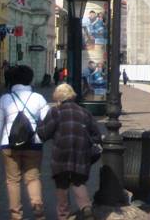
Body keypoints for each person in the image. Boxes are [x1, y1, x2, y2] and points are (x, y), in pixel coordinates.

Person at [0, 64, 49, 220]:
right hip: (33, 145)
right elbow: (49, 122)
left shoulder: (5, 99)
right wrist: (44, 139)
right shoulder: (38, 98)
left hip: (9, 145)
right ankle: (37, 208)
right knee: (33, 178)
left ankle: (16, 215)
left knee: (12, 180)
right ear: (30, 79)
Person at [37, 83, 101, 220]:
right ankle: (86, 207)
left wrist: (39, 125)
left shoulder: (55, 111)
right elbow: (97, 136)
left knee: (62, 183)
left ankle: (63, 214)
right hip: (81, 153)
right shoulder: (85, 112)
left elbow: (44, 134)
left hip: (61, 152)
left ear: (58, 97)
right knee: (78, 181)